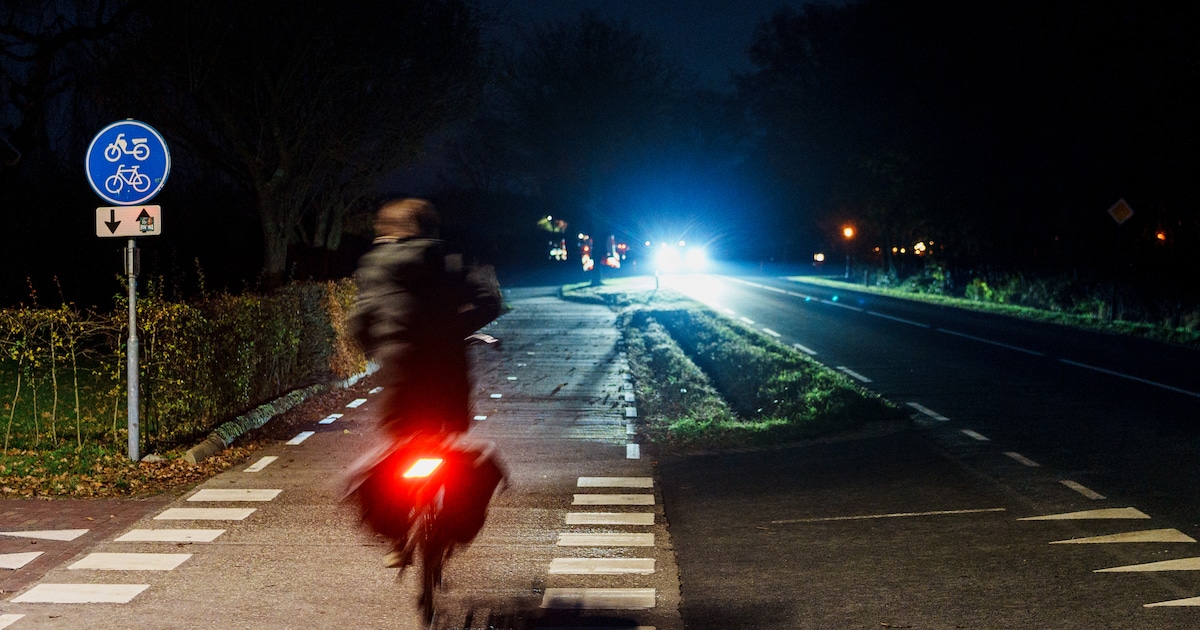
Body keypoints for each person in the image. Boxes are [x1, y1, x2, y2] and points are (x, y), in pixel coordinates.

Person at [345, 197, 503, 566]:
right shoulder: (451, 258)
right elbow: (489, 301)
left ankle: (398, 534)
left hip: (401, 381)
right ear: (430, 228)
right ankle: (451, 523)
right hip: (448, 380)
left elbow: (359, 321)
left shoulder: (374, 263)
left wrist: (380, 346)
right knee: (454, 451)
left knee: (398, 450)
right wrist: (457, 330)